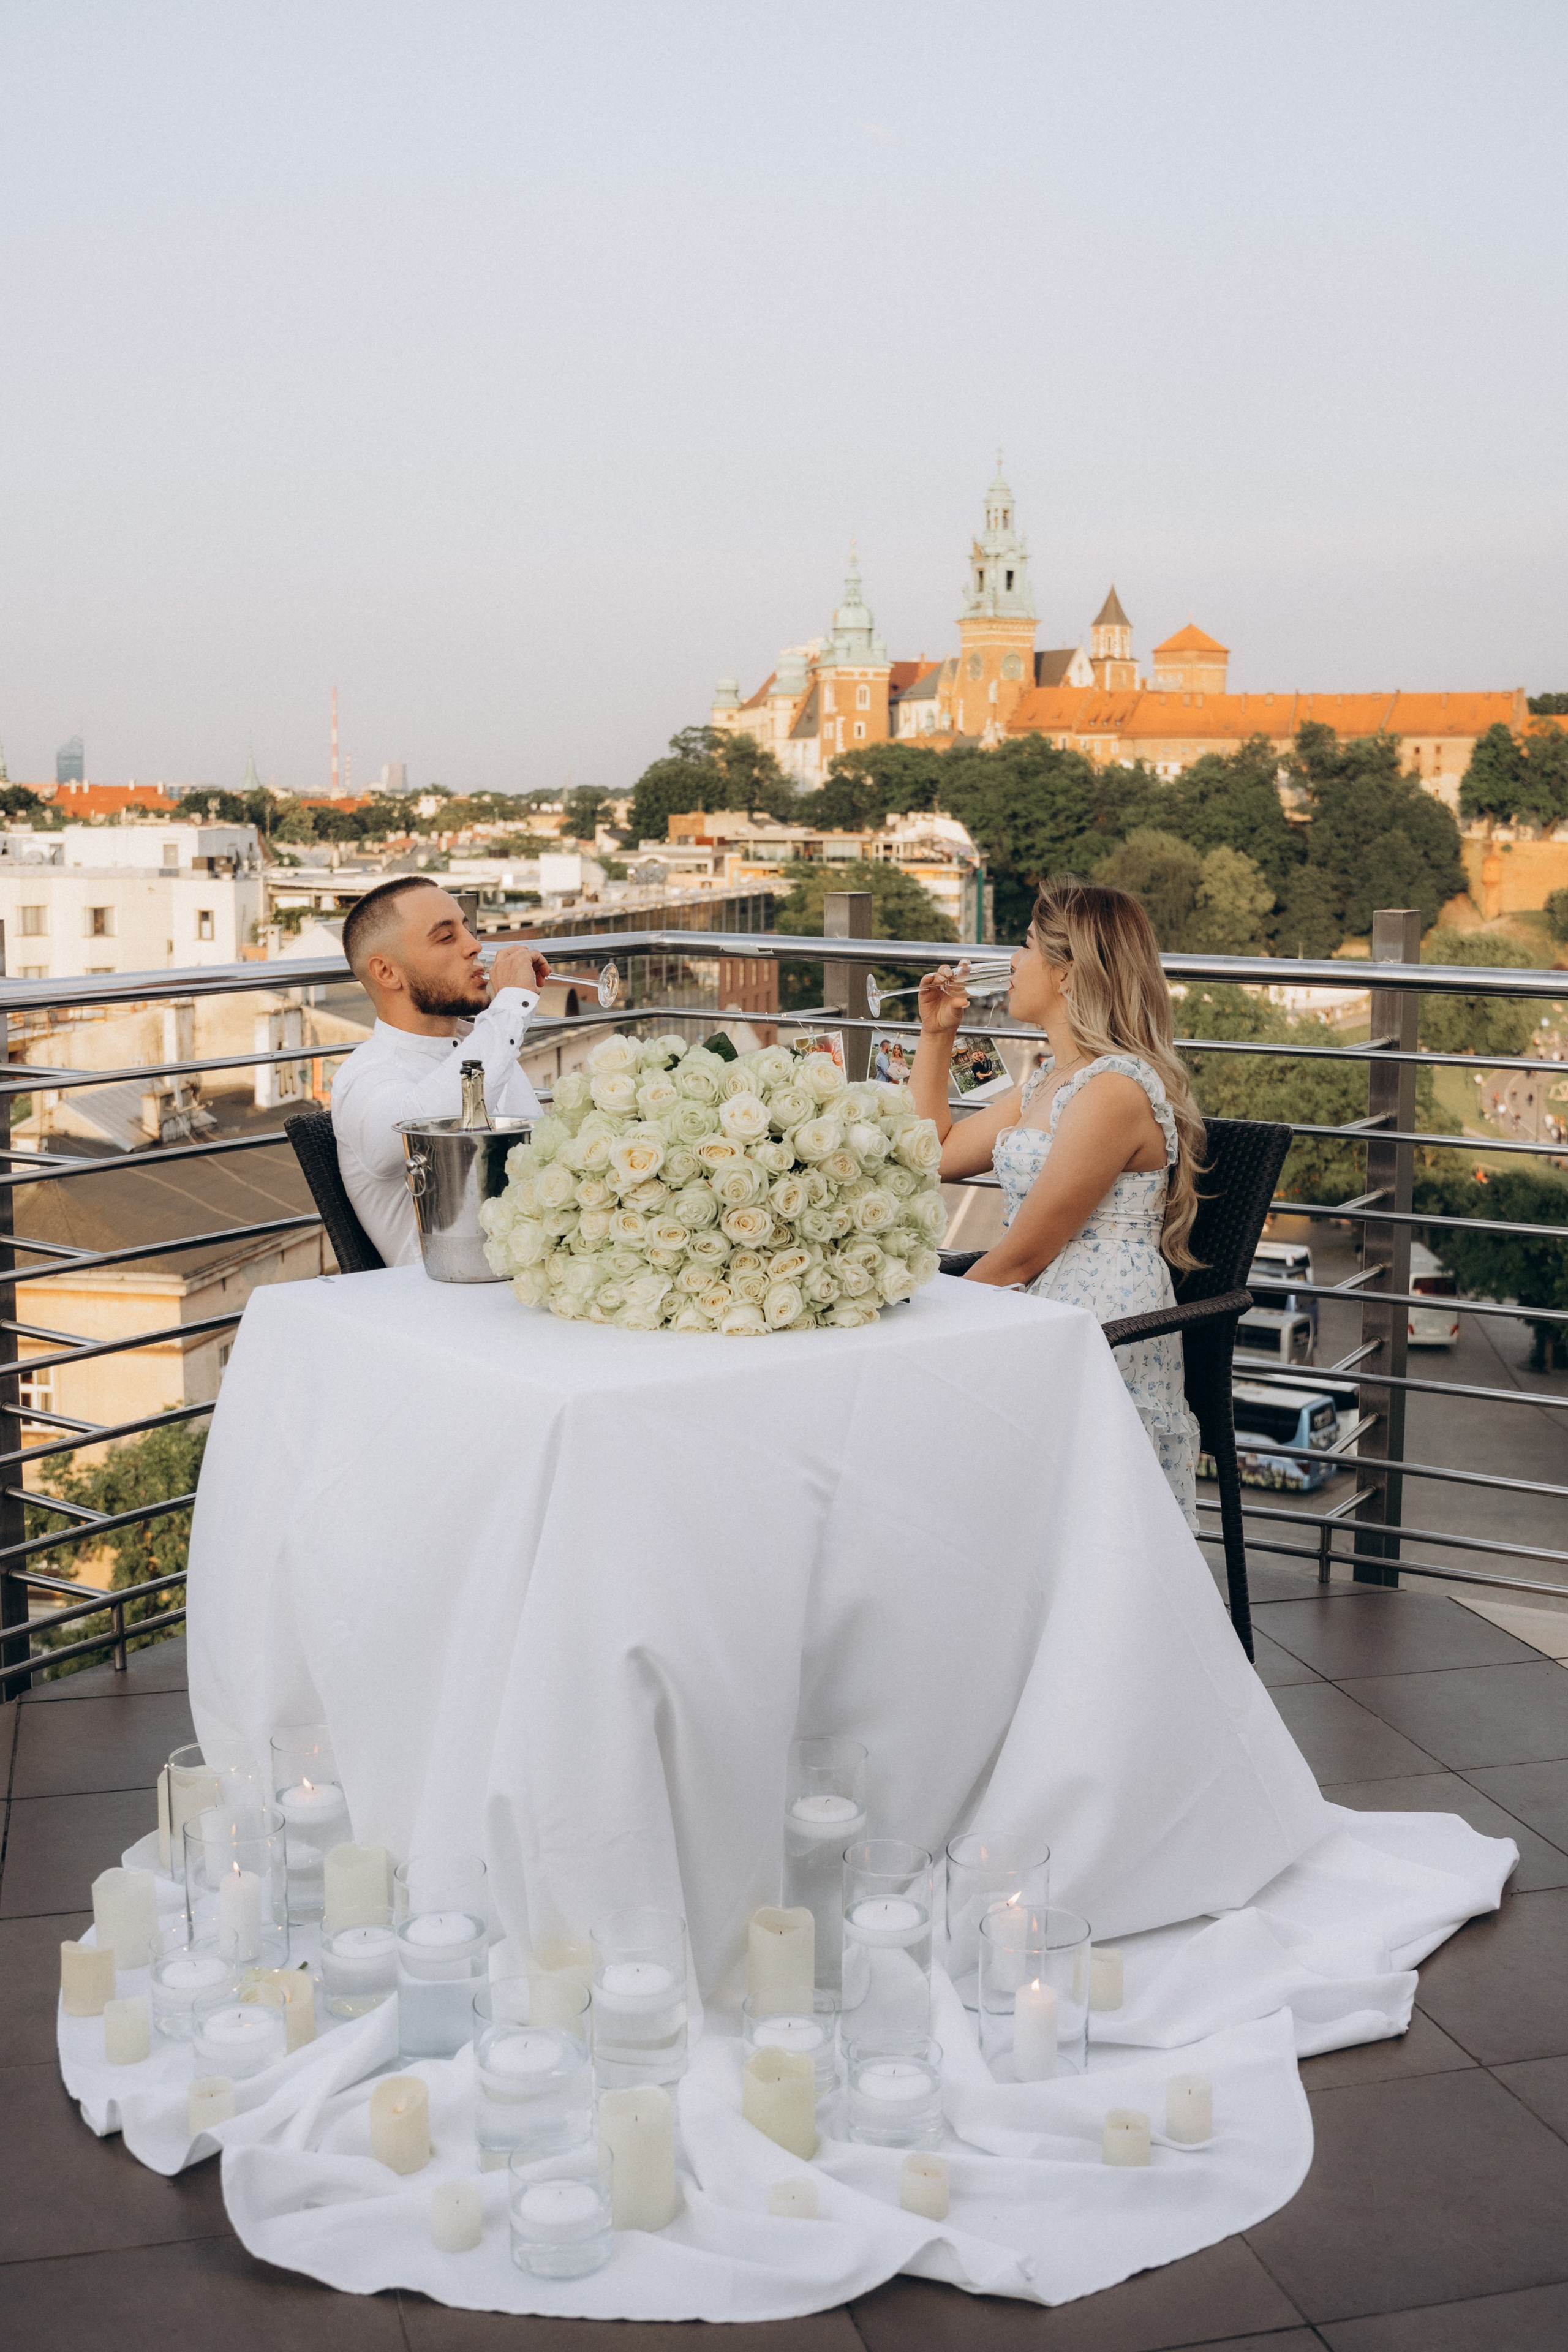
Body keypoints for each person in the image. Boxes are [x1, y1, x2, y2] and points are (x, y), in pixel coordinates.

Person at [911, 875, 1207, 1528]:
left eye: (1022, 947)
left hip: (1097, 1323)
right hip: (1045, 1303)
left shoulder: (1113, 1091)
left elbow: (1027, 1252)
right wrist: (936, 1037)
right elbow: (932, 1153)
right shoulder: (1054, 1078)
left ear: (1068, 973)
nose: (1011, 963)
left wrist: (927, 1316)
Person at [330, 876, 552, 1267]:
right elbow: (426, 1128)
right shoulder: (365, 1077)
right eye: (446, 938)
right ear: (386, 972)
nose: (475, 946)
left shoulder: (485, 1042)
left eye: (467, 928)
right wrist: (511, 1006)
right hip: (446, 1306)